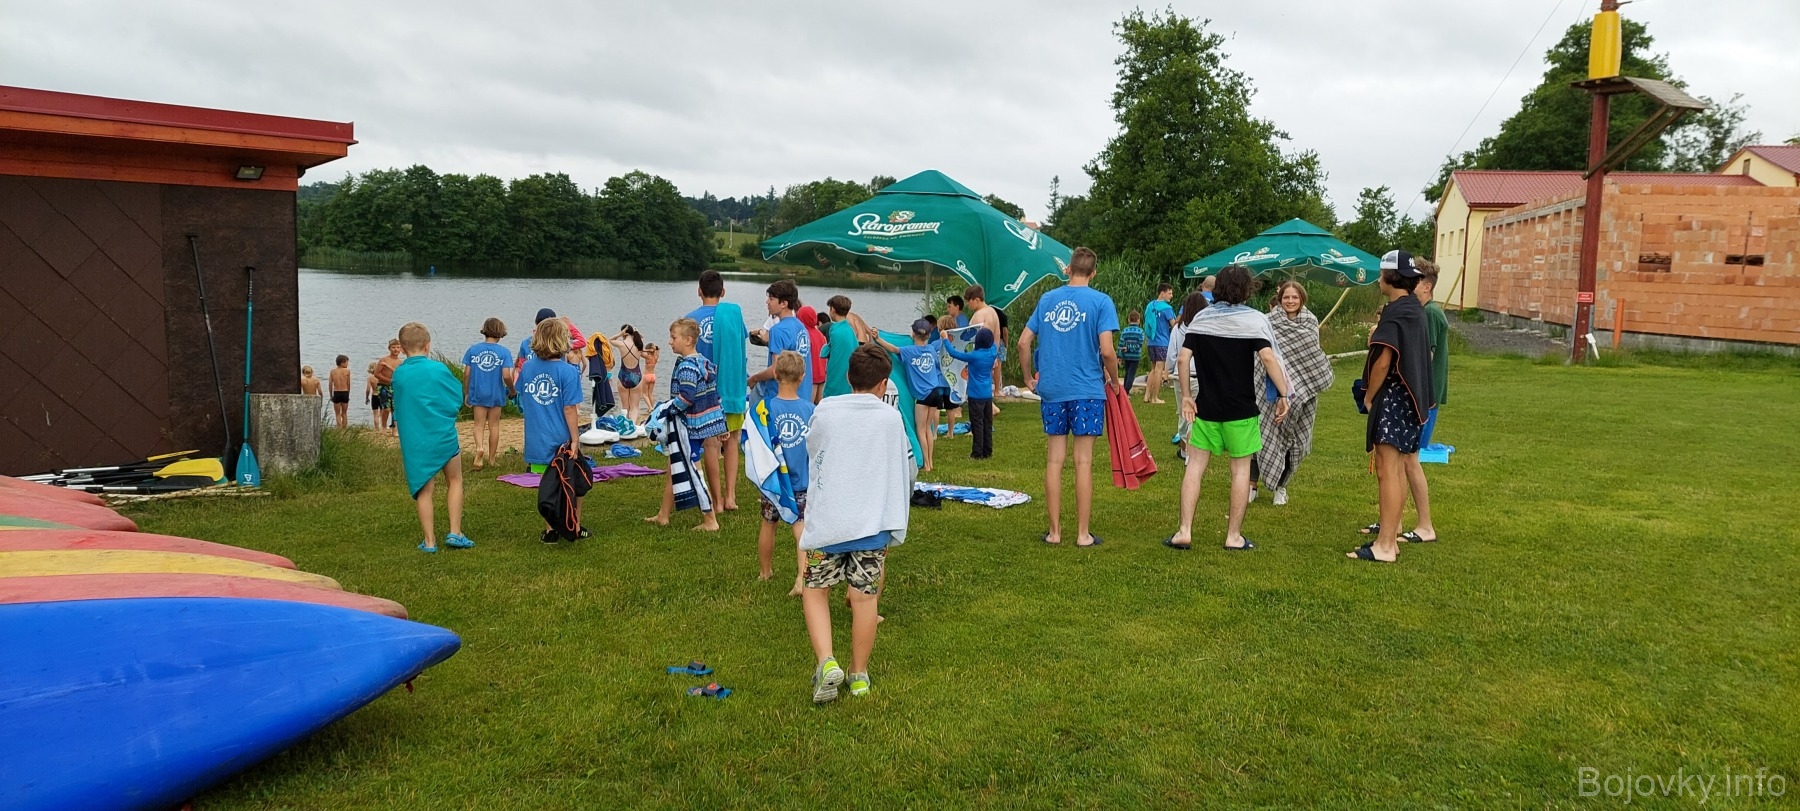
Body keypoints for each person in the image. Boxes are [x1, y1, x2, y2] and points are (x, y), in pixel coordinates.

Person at [797, 344, 914, 703]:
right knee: (865, 600)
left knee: (815, 591)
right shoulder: (890, 418)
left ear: (848, 377)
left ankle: (826, 660)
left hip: (829, 523)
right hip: (871, 525)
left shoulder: (825, 411)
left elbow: (813, 450)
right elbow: (900, 464)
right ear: (884, 384)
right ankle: (859, 674)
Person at [1165, 266, 1291, 551]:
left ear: (1218, 288)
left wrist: (1187, 396)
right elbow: (1269, 358)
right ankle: (1233, 536)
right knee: (1240, 471)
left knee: (1195, 467)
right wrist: (1284, 393)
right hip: (1241, 409)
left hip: (1206, 408)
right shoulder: (1254, 321)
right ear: (1246, 290)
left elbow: (1182, 360)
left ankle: (1184, 531)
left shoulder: (1201, 319)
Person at [1018, 246, 1118, 547]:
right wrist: (1115, 381)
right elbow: (1107, 351)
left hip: (1052, 388)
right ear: (1094, 273)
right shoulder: (1101, 301)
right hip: (1087, 389)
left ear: (1068, 269)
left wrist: (1028, 378)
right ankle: (1083, 534)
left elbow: (1023, 343)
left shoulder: (1047, 299)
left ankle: (1055, 532)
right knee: (1083, 461)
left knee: (1054, 460)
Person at [1351, 250, 1436, 563]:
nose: (1378, 280)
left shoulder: (1398, 311)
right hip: (1410, 402)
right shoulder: (1414, 308)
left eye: (1380, 274)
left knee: (1387, 471)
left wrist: (1369, 395)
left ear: (1390, 276)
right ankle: (1389, 539)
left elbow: (1384, 360)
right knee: (1396, 470)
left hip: (1394, 399)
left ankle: (1385, 546)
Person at [390, 322, 474, 554]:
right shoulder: (439, 370)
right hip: (443, 434)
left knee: (424, 489)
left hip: (416, 440)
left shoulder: (399, 374)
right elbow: (456, 396)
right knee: (454, 480)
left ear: (403, 348)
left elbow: (401, 404)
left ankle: (429, 541)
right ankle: (455, 532)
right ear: (427, 345)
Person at [1252, 282, 1332, 506]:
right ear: (1279, 299)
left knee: (1293, 439)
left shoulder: (1310, 322)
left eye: (1294, 297)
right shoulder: (1268, 321)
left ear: (1302, 299)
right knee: (1262, 434)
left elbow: (1312, 358)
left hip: (1303, 392)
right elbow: (1259, 356)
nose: (1290, 301)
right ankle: (1252, 485)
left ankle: (1281, 487)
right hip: (1269, 389)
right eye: (1286, 297)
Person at [647, 318, 725, 532]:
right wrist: (721, 424)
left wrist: (667, 410)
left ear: (688, 340)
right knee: (674, 467)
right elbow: (714, 396)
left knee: (693, 471)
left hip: (688, 427)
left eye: (674, 338)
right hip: (701, 425)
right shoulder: (703, 362)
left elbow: (687, 397)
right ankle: (663, 515)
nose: (670, 341)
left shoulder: (687, 367)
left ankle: (710, 519)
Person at [519, 317, 586, 543]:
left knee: (547, 484)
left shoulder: (527, 368)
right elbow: (569, 408)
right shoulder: (568, 372)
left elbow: (521, 392)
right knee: (573, 481)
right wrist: (575, 439)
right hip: (561, 438)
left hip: (536, 437)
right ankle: (574, 524)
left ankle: (550, 530)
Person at [750, 352, 813, 587]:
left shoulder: (763, 409)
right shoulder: (811, 410)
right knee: (800, 525)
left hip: (774, 482)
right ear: (802, 376)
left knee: (769, 523)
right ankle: (801, 577)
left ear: (775, 374)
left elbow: (753, 442)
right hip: (801, 481)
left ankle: (765, 572)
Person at [689, 270, 749, 511]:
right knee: (733, 439)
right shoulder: (733, 317)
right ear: (723, 292)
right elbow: (740, 347)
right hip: (731, 386)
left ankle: (716, 501)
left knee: (711, 444)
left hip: (705, 391)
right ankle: (730, 496)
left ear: (699, 291)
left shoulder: (690, 320)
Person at [873, 318, 951, 473]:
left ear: (913, 333)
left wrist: (878, 339)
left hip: (922, 396)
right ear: (928, 335)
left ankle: (926, 464)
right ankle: (931, 461)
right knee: (928, 429)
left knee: (920, 429)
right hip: (935, 392)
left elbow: (893, 349)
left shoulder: (909, 351)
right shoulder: (930, 350)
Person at [748, 280, 813, 404]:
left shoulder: (777, 330)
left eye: (771, 299)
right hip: (802, 396)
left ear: (784, 303)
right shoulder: (801, 327)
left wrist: (755, 378)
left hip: (779, 399)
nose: (767, 302)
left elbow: (775, 370)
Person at [462, 317, 514, 472]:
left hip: (478, 392)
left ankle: (479, 447)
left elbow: (467, 373)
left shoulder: (473, 350)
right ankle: (492, 459)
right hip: (496, 393)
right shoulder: (504, 352)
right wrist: (512, 389)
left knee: (478, 425)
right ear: (501, 332)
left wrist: (467, 392)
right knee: (494, 425)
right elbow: (506, 375)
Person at [944, 327, 997, 459]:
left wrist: (945, 339)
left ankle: (977, 453)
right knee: (987, 423)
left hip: (975, 395)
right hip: (987, 395)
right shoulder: (993, 352)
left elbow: (953, 353)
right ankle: (987, 451)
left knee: (977, 423)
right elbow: (993, 343)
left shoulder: (974, 356)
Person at [1168, 290, 1209, 461]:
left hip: (1180, 376)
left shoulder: (1177, 328)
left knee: (1183, 413)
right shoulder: (1205, 328)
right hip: (1199, 376)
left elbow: (1172, 354)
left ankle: (1185, 450)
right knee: (1195, 416)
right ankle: (1190, 454)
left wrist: (1169, 370)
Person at [962, 285, 1003, 412]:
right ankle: (989, 409)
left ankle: (988, 410)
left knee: (975, 386)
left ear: (976, 299)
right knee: (985, 384)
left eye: (969, 301)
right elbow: (997, 335)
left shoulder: (979, 315)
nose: (968, 305)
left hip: (979, 356)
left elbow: (974, 339)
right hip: (991, 354)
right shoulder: (993, 312)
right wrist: (994, 354)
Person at [820, 295, 867, 398]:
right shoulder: (850, 330)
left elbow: (833, 360)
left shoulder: (835, 331)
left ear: (832, 310)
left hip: (836, 383)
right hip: (849, 381)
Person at [1142, 284, 1176, 404]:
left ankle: (1146, 396)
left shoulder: (1150, 306)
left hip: (1151, 341)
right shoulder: (1167, 308)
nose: (1171, 296)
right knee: (1159, 370)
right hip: (1162, 342)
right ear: (1162, 293)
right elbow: (1174, 325)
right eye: (1169, 293)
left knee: (1153, 369)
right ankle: (1155, 398)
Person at [935, 314, 963, 439]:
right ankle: (950, 433)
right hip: (951, 381)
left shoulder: (935, 344)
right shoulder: (957, 345)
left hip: (938, 380)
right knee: (950, 408)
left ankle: (934, 433)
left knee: (936, 408)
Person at [612, 325, 647, 422]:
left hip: (623, 376)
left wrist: (620, 334)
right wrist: (636, 332)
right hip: (636, 377)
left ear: (624, 333)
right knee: (635, 407)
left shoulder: (622, 344)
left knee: (625, 407)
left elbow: (611, 340)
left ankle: (625, 426)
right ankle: (633, 425)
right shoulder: (639, 344)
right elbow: (641, 338)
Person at [797, 305, 828, 404]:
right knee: (819, 404)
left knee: (808, 405)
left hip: (811, 376)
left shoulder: (805, 335)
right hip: (822, 374)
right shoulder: (820, 334)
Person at [584, 322, 615, 417]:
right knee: (607, 394)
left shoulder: (594, 355)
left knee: (601, 394)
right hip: (608, 374)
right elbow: (612, 363)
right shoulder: (608, 352)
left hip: (601, 375)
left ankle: (598, 413)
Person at [373, 339, 402, 435]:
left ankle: (394, 429)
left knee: (395, 409)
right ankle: (384, 427)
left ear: (401, 349)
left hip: (395, 388)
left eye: (398, 347)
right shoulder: (384, 360)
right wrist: (388, 381)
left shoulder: (401, 362)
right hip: (383, 386)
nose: (396, 349)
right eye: (393, 347)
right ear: (389, 348)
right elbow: (377, 374)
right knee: (386, 409)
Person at [1118, 312, 1147, 394]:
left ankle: (1124, 390)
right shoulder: (1140, 331)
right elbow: (1139, 345)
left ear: (1128, 320)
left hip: (1126, 355)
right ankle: (1126, 390)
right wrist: (1130, 348)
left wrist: (1119, 355)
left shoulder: (1125, 331)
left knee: (1127, 372)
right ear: (1138, 320)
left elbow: (1121, 344)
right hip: (1135, 356)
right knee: (1131, 373)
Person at [328, 355, 351, 429]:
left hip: (337, 392)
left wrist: (331, 395)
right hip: (345, 392)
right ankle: (344, 429)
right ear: (342, 363)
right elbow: (348, 384)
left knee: (337, 413)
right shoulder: (347, 371)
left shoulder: (333, 371)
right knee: (344, 413)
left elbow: (330, 384)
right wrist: (348, 394)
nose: (347, 364)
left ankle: (339, 429)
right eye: (346, 362)